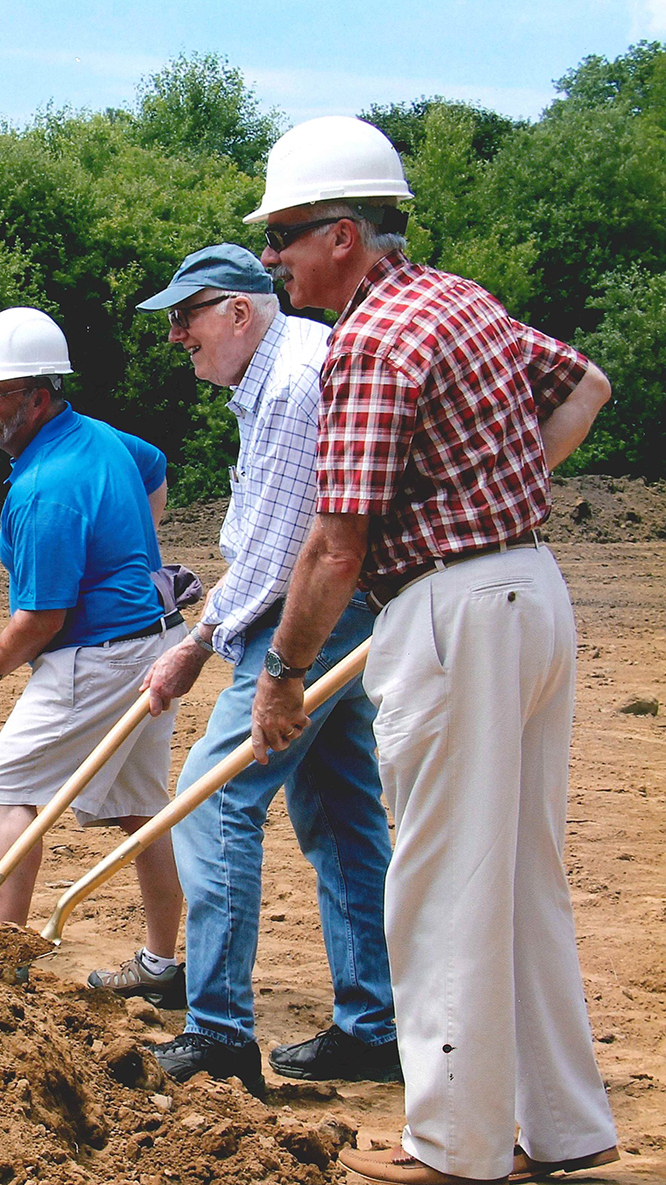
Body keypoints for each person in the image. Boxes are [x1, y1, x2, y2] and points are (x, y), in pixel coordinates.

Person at [245, 117, 618, 1185]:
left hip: (453, 612)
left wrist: (280, 675)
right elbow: (584, 385)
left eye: (285, 235)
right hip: (530, 591)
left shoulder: (364, 341)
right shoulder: (460, 299)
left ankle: (451, 1149)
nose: (272, 258)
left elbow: (334, 540)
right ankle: (563, 1127)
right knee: (517, 876)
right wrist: (502, 500)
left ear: (344, 236)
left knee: (442, 879)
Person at [134, 244, 398, 1100]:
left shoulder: (288, 383)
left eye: (186, 316)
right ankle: (376, 1025)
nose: (177, 336)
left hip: (310, 617)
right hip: (346, 607)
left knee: (210, 804)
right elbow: (261, 536)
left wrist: (202, 644)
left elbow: (287, 550)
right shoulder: (283, 369)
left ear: (238, 311)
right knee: (342, 812)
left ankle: (218, 1032)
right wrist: (198, 641)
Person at [0, 307, 187, 999]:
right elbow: (153, 468)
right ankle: (161, 965)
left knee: (7, 789)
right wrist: (132, 549)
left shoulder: (43, 489)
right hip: (152, 637)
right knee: (140, 802)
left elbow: (41, 618)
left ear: (39, 397)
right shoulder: (98, 437)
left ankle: (3, 968)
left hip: (100, 653)